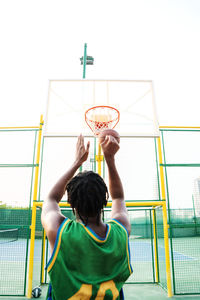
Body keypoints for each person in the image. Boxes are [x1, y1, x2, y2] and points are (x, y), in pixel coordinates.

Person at [41, 134, 133, 300]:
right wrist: (109, 158)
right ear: (105, 200)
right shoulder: (121, 230)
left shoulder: (59, 231)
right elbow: (119, 197)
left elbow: (51, 199)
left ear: (71, 202)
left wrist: (77, 162)